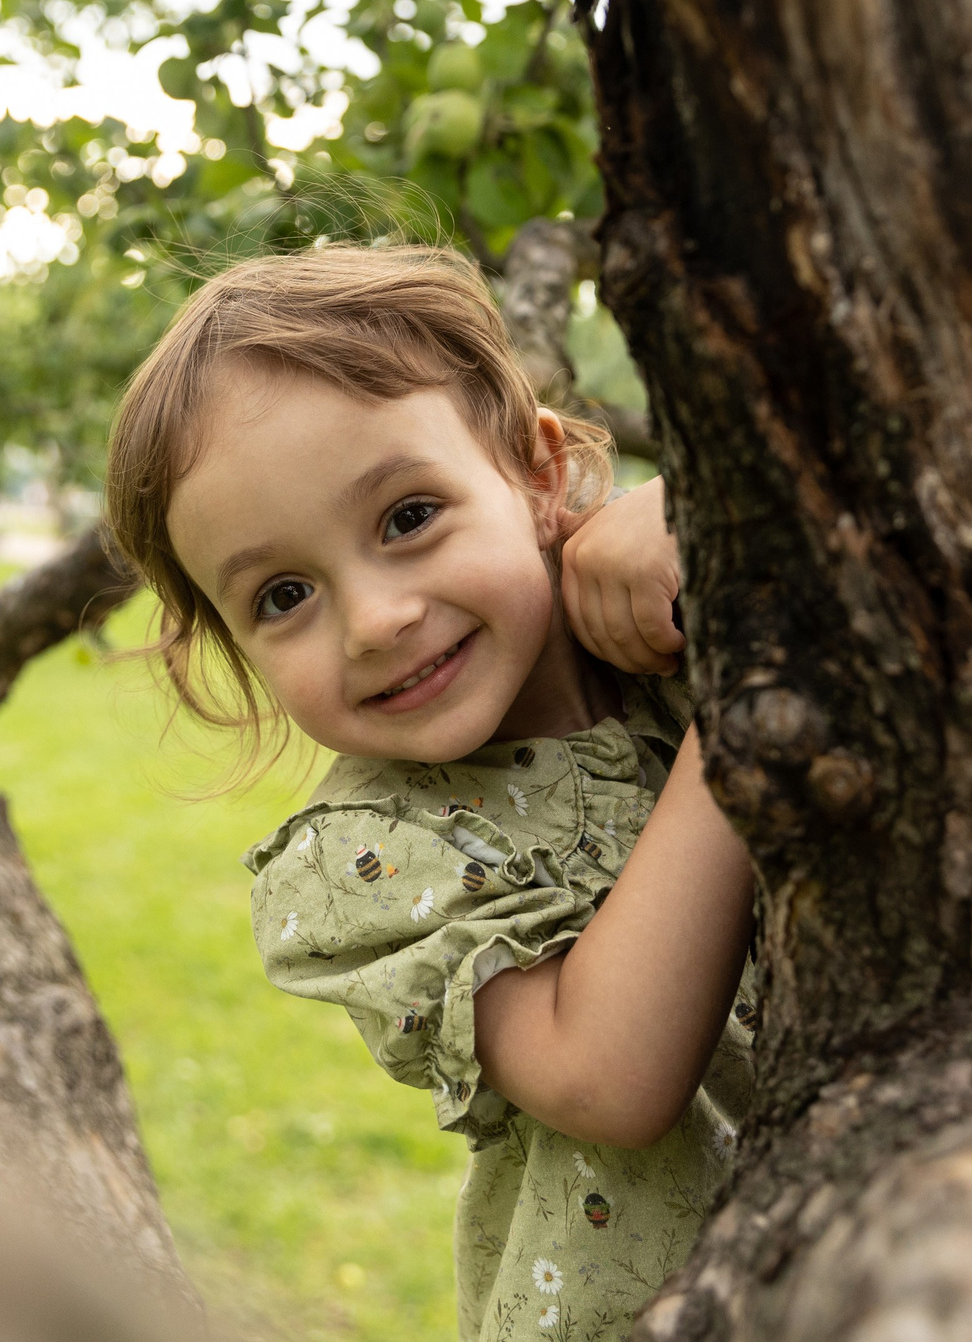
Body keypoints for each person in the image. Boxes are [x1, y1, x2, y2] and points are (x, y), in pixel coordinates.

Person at [103, 245, 755, 1342]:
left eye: (407, 518)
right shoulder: (371, 855)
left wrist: (703, 520)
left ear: (538, 474)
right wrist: (750, 705)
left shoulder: (661, 623)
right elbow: (608, 1077)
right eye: (284, 594)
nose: (374, 620)